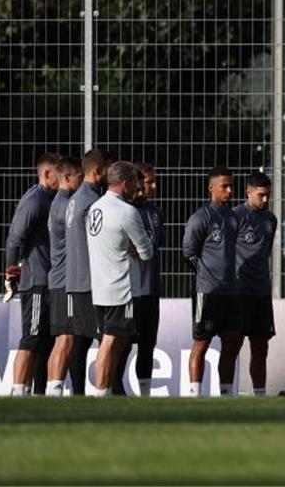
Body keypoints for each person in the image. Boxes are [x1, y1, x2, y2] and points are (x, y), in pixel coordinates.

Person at [85, 161, 154, 396]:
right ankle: (100, 392)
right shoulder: (128, 212)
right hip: (121, 289)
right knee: (111, 341)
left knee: (119, 341)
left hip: (100, 287)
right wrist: (134, 249)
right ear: (125, 183)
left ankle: (112, 389)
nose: (138, 187)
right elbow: (146, 251)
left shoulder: (94, 208)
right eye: (135, 182)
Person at [183, 167, 244, 396]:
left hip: (231, 291)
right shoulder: (201, 217)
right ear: (211, 188)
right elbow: (188, 252)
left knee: (232, 343)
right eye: (224, 186)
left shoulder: (232, 217)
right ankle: (194, 394)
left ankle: (226, 393)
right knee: (201, 343)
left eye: (231, 186)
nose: (229, 191)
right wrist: (206, 275)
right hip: (207, 291)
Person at [3, 152, 60, 395]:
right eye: (60, 175)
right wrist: (11, 275)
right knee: (32, 338)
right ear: (47, 174)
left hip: (51, 281)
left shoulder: (52, 199)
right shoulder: (34, 201)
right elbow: (15, 239)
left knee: (46, 342)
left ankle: (37, 394)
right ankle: (18, 390)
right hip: (36, 282)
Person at [60, 148, 113, 394]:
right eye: (109, 169)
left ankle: (78, 393)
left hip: (75, 280)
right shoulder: (93, 202)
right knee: (107, 339)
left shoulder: (74, 199)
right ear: (98, 171)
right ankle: (108, 388)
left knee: (81, 341)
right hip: (91, 281)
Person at [234, 172, 279, 397]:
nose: (265, 200)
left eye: (268, 196)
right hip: (239, 292)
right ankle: (226, 392)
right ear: (248, 192)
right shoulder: (235, 217)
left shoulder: (271, 219)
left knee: (261, 347)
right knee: (233, 345)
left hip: (261, 292)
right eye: (261, 195)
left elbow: (265, 252)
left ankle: (259, 395)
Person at [44, 156, 82, 396]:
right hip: (65, 281)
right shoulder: (65, 205)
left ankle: (53, 388)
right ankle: (55, 387)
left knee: (63, 338)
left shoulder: (60, 202)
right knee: (66, 338)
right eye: (79, 176)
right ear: (67, 178)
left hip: (60, 279)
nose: (82, 180)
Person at [125, 162, 164, 396]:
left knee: (148, 345)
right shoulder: (123, 211)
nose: (154, 186)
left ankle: (145, 395)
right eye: (149, 182)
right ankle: (112, 390)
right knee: (123, 345)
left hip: (151, 289)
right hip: (128, 291)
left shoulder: (156, 212)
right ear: (137, 183)